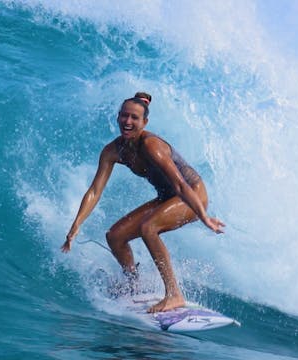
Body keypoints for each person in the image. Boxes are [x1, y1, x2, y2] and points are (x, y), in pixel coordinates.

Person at [61, 92, 225, 313]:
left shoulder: (151, 146)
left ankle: (174, 295)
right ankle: (133, 283)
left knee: (149, 227)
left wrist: (204, 217)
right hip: (167, 198)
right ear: (118, 117)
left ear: (144, 122)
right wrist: (76, 225)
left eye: (134, 118)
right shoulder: (113, 150)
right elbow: (95, 190)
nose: (128, 122)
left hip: (192, 194)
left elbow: (180, 185)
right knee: (115, 236)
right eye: (124, 116)